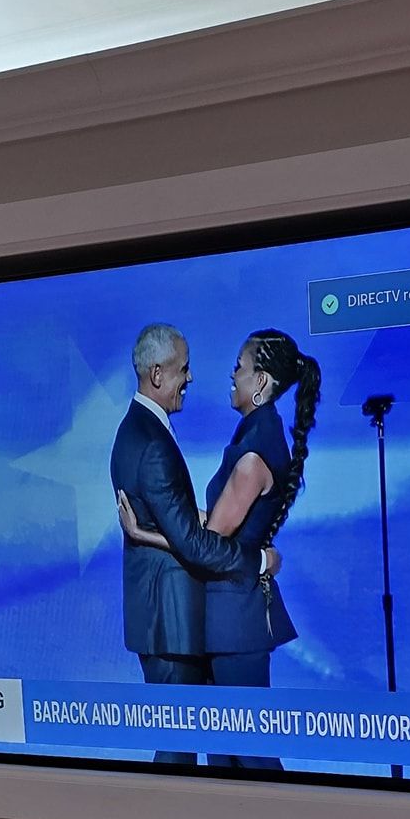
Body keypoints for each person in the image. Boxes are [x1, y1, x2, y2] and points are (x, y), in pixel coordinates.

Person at [119, 328, 319, 770]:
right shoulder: (253, 436)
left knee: (248, 752)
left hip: (236, 619)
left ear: (261, 382)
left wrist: (145, 533)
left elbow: (212, 537)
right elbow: (208, 526)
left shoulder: (254, 451)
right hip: (225, 617)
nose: (232, 374)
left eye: (240, 367)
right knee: (227, 755)